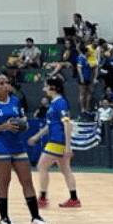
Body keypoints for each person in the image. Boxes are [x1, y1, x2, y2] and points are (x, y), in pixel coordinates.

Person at [0, 72, 49, 224]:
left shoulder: (15, 101)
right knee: (4, 182)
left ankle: (35, 217)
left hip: (17, 145)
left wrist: (23, 126)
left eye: (6, 83)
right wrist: (4, 126)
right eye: (1, 83)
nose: (5, 86)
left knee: (27, 181)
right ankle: (4, 219)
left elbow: (23, 121)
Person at [28, 75, 80, 209]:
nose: (44, 89)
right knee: (65, 170)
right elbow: (50, 125)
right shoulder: (54, 103)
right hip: (57, 140)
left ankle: (43, 198)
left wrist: (68, 146)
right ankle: (74, 199)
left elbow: (67, 124)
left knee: (42, 166)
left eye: (46, 86)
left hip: (58, 141)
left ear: (53, 88)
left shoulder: (60, 102)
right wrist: (37, 136)